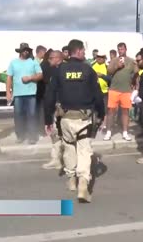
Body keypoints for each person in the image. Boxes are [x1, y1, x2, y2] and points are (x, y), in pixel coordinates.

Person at [44, 39, 105, 203]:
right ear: (77, 51)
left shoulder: (59, 70)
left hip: (65, 118)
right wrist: (102, 114)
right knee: (84, 150)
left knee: (69, 148)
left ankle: (71, 180)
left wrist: (47, 119)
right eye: (83, 51)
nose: (85, 54)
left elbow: (49, 96)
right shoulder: (88, 70)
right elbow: (98, 95)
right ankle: (83, 183)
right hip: (84, 118)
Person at [6, 43, 43, 144]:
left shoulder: (33, 62)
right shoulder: (13, 63)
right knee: (18, 116)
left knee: (31, 115)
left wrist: (30, 78)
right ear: (20, 51)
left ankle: (32, 137)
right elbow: (9, 78)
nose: (26, 51)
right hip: (18, 94)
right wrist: (8, 92)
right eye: (24, 50)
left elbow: (40, 75)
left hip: (31, 94)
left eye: (27, 50)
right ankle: (20, 136)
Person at [104, 42, 137, 141]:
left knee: (125, 112)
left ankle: (125, 132)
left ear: (126, 49)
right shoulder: (114, 60)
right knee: (110, 112)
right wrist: (116, 67)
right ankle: (109, 132)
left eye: (122, 49)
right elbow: (108, 72)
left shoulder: (131, 61)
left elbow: (136, 73)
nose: (120, 51)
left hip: (126, 90)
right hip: (114, 90)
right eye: (119, 49)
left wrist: (135, 85)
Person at [41, 50, 65, 170]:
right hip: (70, 108)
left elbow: (51, 95)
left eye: (50, 58)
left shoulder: (56, 72)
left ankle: (56, 160)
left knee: (55, 135)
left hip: (59, 109)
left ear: (57, 58)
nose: (48, 60)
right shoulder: (68, 69)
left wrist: (47, 119)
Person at [91, 53, 111, 131]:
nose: (99, 58)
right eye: (98, 57)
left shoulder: (107, 67)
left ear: (104, 58)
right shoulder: (92, 66)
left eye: (101, 57)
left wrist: (102, 75)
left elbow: (110, 79)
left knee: (105, 108)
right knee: (96, 108)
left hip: (105, 91)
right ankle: (96, 123)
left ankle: (104, 124)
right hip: (95, 90)